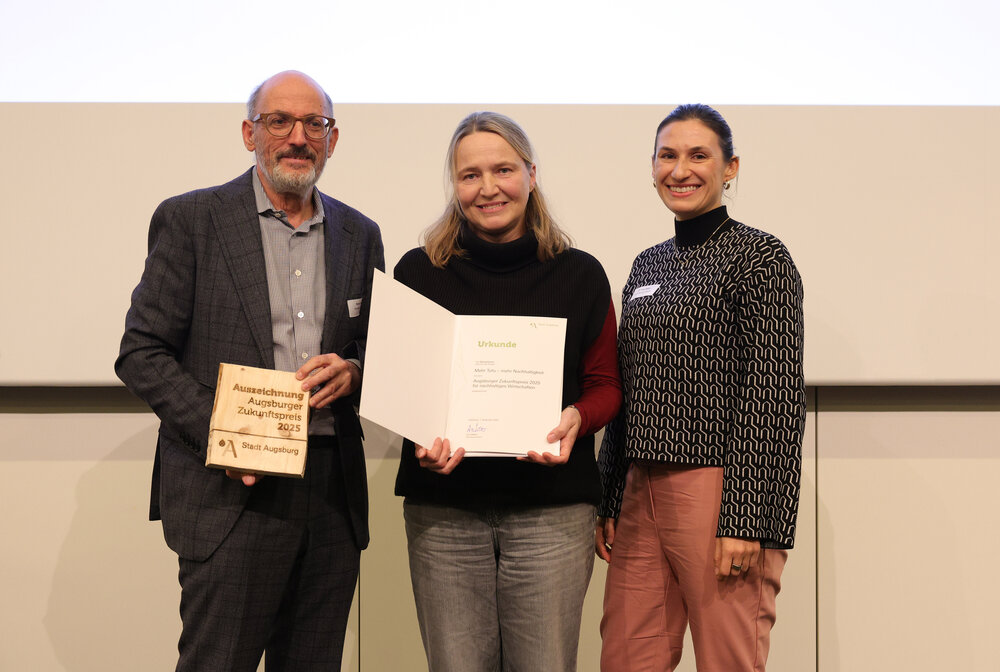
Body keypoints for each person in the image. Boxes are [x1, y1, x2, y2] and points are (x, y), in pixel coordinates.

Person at [115, 70, 383, 671]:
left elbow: (372, 349)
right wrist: (222, 436)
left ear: (332, 140)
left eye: (315, 124)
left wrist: (356, 371)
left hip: (329, 495)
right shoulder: (192, 220)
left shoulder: (361, 235)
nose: (298, 137)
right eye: (279, 122)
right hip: (230, 493)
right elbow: (141, 352)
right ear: (248, 133)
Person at [392, 111, 622, 672]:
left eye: (503, 169)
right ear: (455, 185)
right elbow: (401, 388)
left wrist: (578, 418)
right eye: (470, 175)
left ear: (531, 174)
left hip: (552, 513)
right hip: (445, 511)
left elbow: (606, 385)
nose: (488, 187)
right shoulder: (418, 273)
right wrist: (422, 434)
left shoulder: (581, 274)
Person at [597, 104, 806, 672]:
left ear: (729, 167)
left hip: (718, 493)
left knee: (727, 661)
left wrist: (746, 520)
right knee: (626, 658)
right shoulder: (647, 264)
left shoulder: (759, 257)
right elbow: (627, 383)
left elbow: (774, 397)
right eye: (668, 155)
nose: (680, 169)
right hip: (642, 489)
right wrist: (610, 494)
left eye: (698, 155)